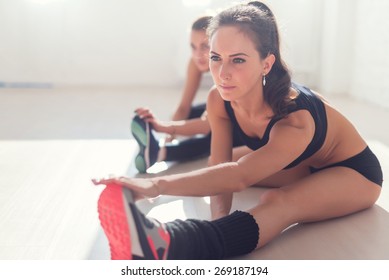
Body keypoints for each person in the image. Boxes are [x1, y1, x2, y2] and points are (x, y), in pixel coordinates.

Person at [93, 1, 383, 260]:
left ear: (266, 63)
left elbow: (238, 176)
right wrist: (219, 219)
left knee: (279, 201)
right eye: (216, 58)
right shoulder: (219, 100)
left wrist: (156, 185)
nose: (223, 73)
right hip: (301, 164)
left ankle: (171, 244)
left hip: (353, 172)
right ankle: (205, 229)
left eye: (239, 60)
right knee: (226, 164)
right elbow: (221, 165)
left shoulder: (295, 119)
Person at [131, 15, 244, 173]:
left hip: (247, 123)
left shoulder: (225, 70)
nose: (197, 54)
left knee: (216, 135)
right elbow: (183, 107)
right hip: (227, 107)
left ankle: (160, 153)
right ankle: (157, 147)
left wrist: (164, 127)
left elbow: (206, 125)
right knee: (190, 113)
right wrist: (168, 138)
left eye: (205, 46)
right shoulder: (195, 62)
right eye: (193, 47)